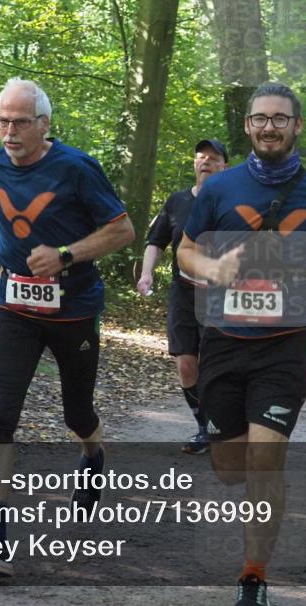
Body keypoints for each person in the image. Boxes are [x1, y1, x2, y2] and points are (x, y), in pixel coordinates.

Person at [0, 77, 135, 578]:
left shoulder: (76, 168)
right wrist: (5, 269)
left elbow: (123, 230)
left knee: (77, 412)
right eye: (2, 121)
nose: (9, 132)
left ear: (44, 124)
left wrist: (67, 255)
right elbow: (12, 227)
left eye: (20, 122)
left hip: (73, 311)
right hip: (15, 310)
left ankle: (93, 455)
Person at [177, 82, 306, 606]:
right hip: (224, 342)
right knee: (231, 468)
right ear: (249, 126)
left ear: (297, 127)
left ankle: (252, 577)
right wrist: (211, 267)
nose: (269, 127)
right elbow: (186, 250)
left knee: (266, 457)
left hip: (285, 344)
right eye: (260, 118)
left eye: (280, 118)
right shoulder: (218, 189)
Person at [136, 138, 229, 454]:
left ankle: (225, 425)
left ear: (224, 167)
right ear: (194, 163)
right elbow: (156, 241)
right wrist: (147, 273)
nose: (206, 161)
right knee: (186, 365)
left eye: (214, 158)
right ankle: (205, 427)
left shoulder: (235, 203)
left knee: (217, 367)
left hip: (221, 296)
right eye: (201, 157)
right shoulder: (176, 202)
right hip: (183, 294)